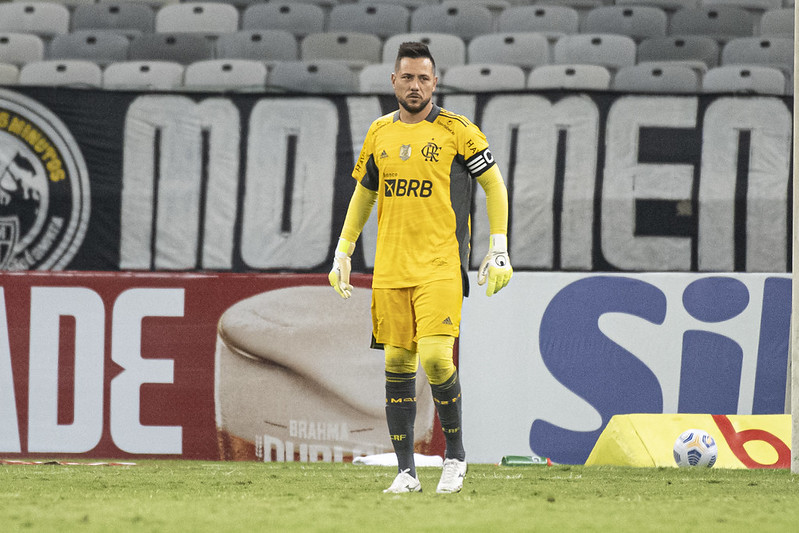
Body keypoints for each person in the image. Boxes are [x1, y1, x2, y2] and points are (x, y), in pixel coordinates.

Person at [328, 41, 512, 494]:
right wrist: (343, 251)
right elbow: (364, 194)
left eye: (424, 78)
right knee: (397, 361)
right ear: (394, 80)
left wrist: (499, 246)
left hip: (440, 264)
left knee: (434, 356)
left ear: (436, 82)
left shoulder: (457, 131)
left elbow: (493, 184)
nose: (415, 86)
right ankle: (406, 472)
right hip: (391, 269)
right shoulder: (378, 133)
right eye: (407, 77)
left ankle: (455, 456)